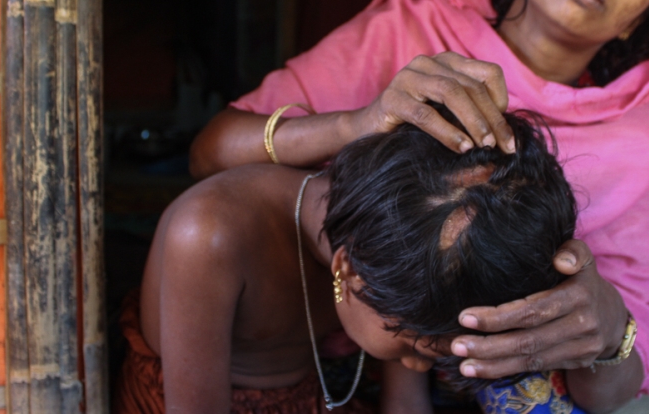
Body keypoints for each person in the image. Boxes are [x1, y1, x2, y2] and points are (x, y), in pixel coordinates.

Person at [187, 0, 649, 413]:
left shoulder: (639, 139)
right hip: (321, 341)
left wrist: (609, 332)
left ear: (638, 19)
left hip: (479, 372)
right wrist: (355, 123)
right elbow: (208, 156)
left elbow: (613, 381)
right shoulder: (406, 32)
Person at [114, 109, 578, 413]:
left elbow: (404, 404)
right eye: (414, 349)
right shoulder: (208, 236)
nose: (418, 366)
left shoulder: (411, 243)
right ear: (347, 271)